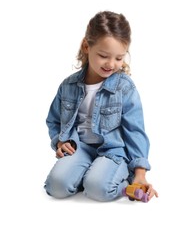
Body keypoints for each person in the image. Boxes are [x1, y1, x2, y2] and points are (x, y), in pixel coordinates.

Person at [44, 11, 158, 202]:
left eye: (119, 58)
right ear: (86, 46)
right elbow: (54, 120)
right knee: (57, 187)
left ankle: (120, 183)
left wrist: (140, 172)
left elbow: (135, 131)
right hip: (79, 147)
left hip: (112, 151)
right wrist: (59, 142)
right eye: (104, 56)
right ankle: (89, 175)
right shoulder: (68, 86)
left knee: (98, 189)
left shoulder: (124, 88)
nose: (111, 64)